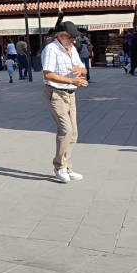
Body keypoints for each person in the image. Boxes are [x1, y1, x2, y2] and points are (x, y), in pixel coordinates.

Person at [41, 21, 89, 183]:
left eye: (75, 38)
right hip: (56, 93)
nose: (74, 41)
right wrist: (72, 81)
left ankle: (67, 167)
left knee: (74, 133)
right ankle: (59, 167)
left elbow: (83, 69)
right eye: (71, 38)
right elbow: (48, 74)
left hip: (70, 94)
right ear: (60, 36)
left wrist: (80, 72)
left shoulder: (72, 49)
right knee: (66, 130)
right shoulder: (51, 49)